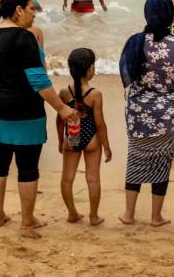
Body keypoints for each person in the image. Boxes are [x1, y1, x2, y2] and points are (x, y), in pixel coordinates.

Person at [0, 0, 78, 230]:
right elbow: (38, 81)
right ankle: (27, 220)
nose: (34, 15)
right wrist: (61, 108)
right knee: (28, 166)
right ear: (19, 10)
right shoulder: (25, 38)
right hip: (23, 110)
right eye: (32, 9)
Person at [118, 0, 174, 227]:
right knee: (162, 162)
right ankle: (155, 217)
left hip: (138, 114)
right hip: (169, 116)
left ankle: (129, 214)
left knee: (135, 158)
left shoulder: (135, 41)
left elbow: (127, 74)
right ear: (169, 15)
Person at [56, 48, 111, 225]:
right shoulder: (95, 94)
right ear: (90, 69)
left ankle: (72, 213)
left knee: (67, 178)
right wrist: (106, 146)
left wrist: (60, 140)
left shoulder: (64, 92)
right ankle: (93, 216)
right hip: (91, 139)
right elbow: (100, 124)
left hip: (71, 137)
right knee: (93, 179)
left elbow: (60, 119)